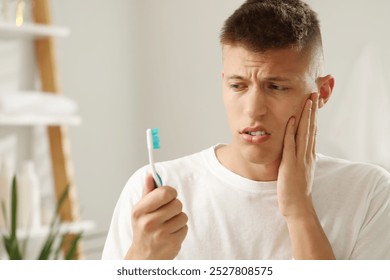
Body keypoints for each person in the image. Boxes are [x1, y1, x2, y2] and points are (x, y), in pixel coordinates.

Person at [102, 0, 390, 260]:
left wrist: (300, 211)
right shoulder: (155, 191)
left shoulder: (370, 193)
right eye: (238, 86)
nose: (253, 110)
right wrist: (142, 258)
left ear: (322, 91)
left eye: (276, 86)